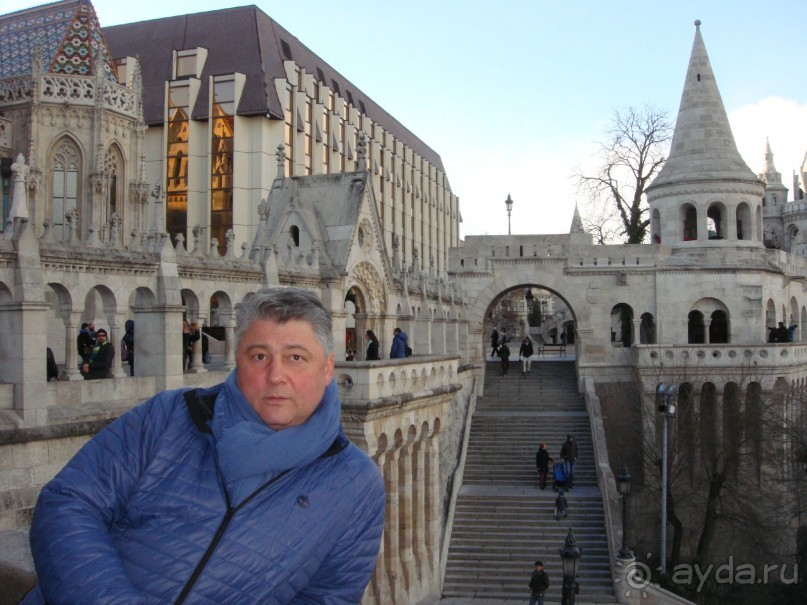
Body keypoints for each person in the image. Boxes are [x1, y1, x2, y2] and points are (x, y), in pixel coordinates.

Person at [21, 287, 386, 605]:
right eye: (259, 356)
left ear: (326, 370)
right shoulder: (170, 415)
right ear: (237, 361)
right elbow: (69, 502)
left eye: (295, 358)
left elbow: (324, 598)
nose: (276, 375)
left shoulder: (355, 484)